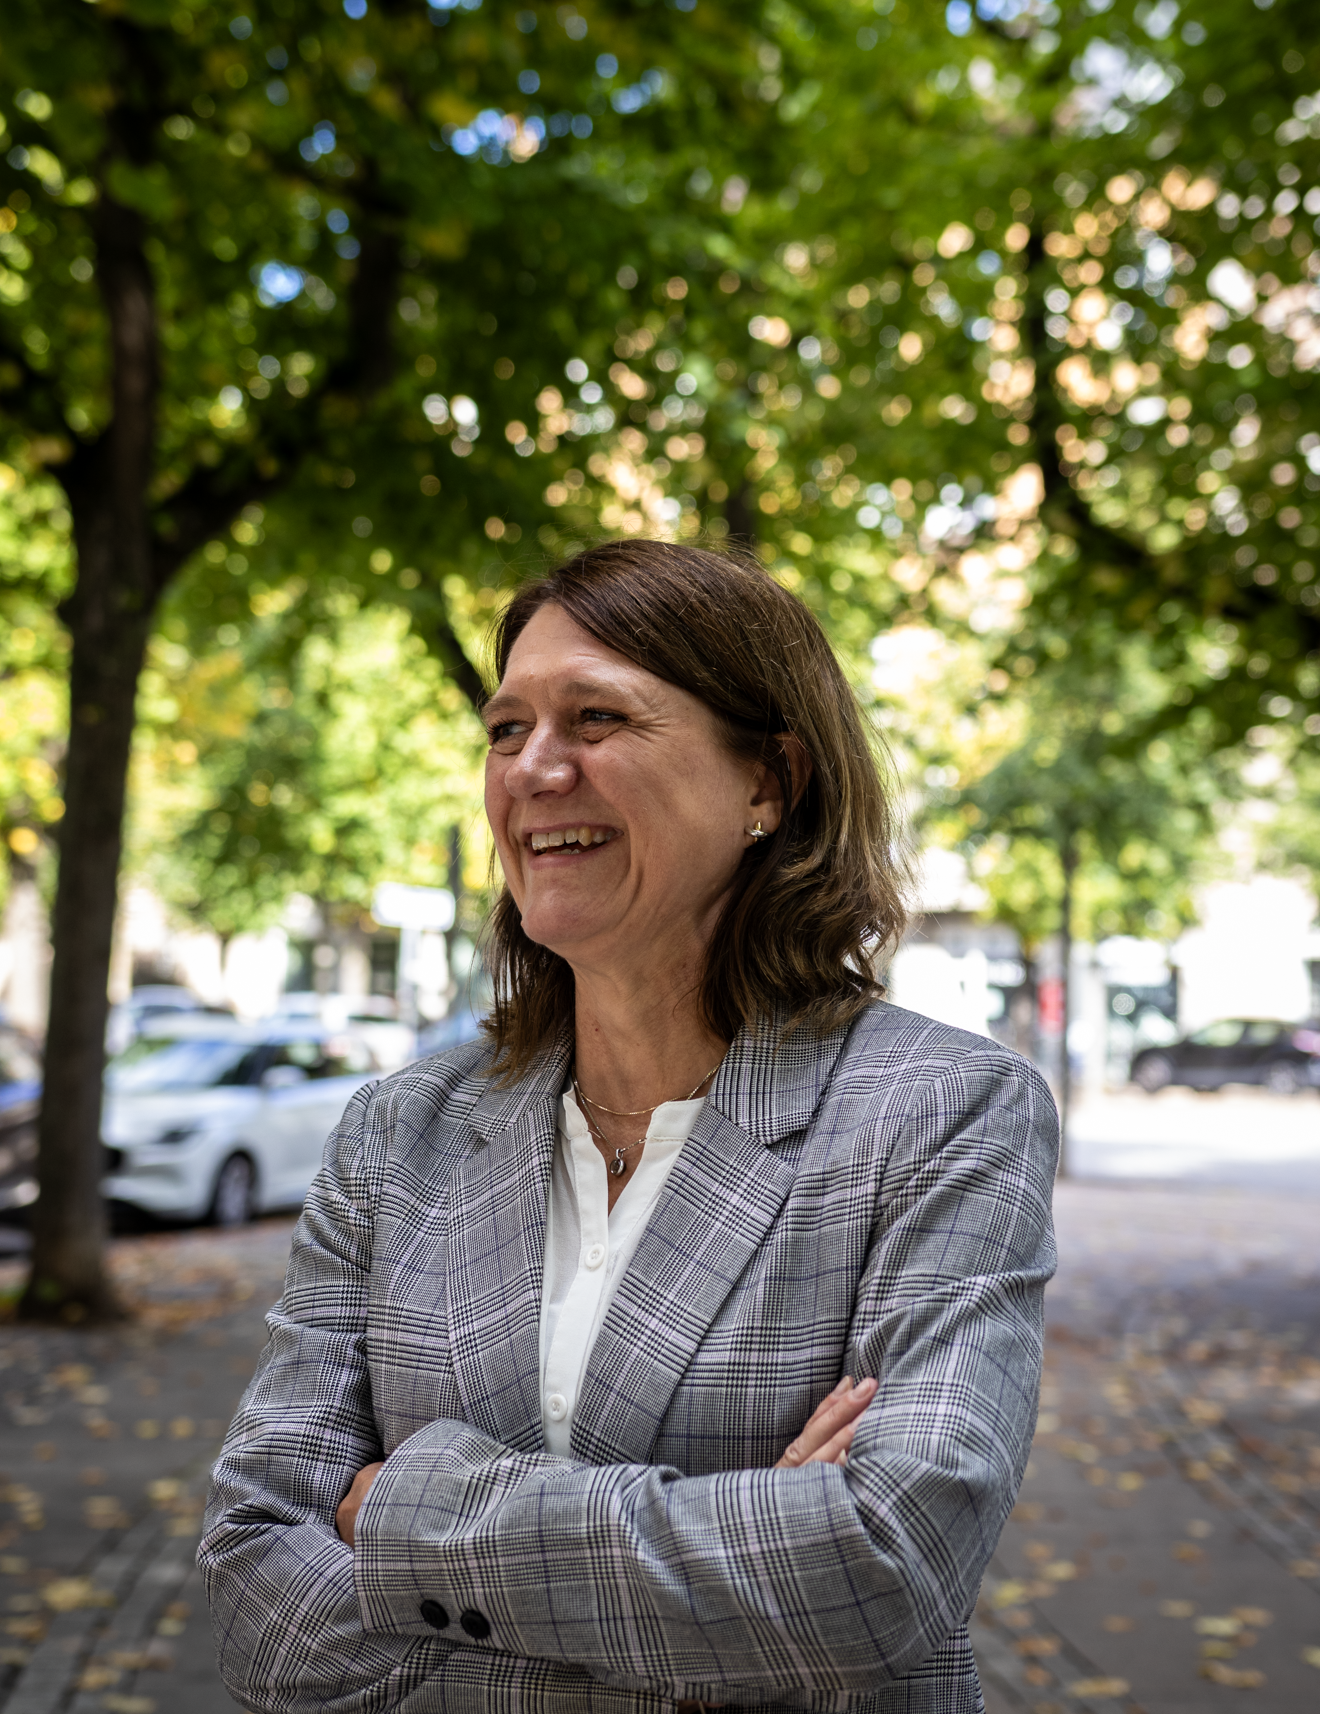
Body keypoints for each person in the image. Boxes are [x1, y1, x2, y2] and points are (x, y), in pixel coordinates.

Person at [200, 539, 1057, 1714]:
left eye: (596, 717)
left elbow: (884, 1569)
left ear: (769, 781)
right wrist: (722, 1612)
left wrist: (400, 1508)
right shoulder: (398, 1135)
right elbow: (255, 1573)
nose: (534, 770)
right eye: (506, 730)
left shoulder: (942, 1114)